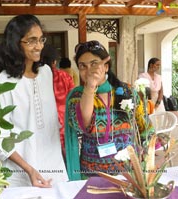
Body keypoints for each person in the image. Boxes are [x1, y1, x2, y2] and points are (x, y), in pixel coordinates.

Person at [0, 14, 68, 187]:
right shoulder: (2, 82)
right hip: (19, 172)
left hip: (52, 165)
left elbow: (50, 124)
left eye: (41, 40)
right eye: (31, 41)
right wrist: (29, 170)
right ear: (15, 43)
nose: (39, 46)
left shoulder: (46, 72)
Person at [65, 40, 153, 180]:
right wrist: (90, 87)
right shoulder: (77, 96)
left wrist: (148, 155)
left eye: (94, 63)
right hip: (93, 173)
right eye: (83, 66)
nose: (89, 70)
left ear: (106, 66)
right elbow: (83, 124)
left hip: (129, 171)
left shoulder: (126, 91)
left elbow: (145, 126)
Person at [41, 44, 74, 157]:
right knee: (65, 155)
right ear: (54, 61)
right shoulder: (66, 76)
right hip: (64, 121)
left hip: (44, 123)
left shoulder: (36, 79)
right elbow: (73, 100)